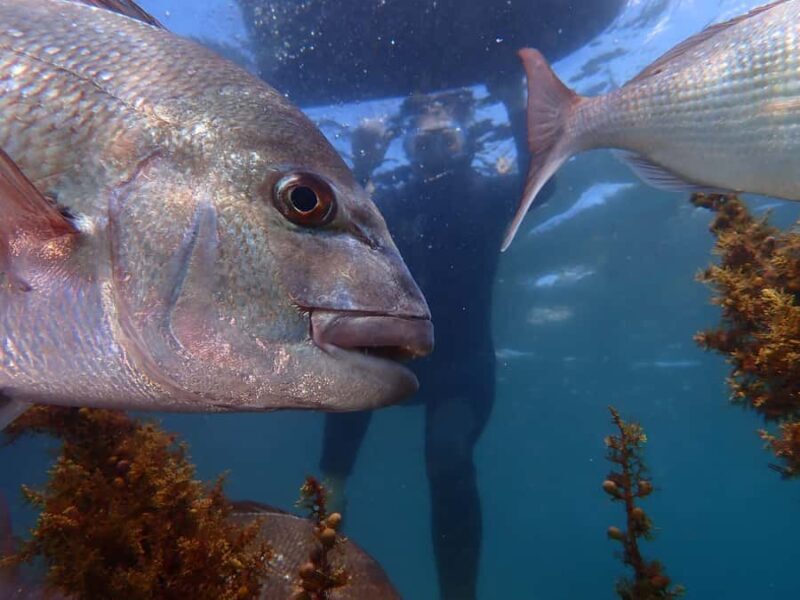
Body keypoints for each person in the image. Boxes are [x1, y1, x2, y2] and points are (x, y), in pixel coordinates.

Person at [318, 88, 528, 599]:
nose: (433, 148)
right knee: (331, 469)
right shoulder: (386, 198)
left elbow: (545, 181)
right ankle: (313, 570)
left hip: (463, 370)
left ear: (466, 138)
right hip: (388, 355)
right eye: (422, 139)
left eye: (446, 136)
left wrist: (514, 99)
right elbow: (328, 227)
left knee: (448, 454)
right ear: (404, 144)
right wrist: (360, 164)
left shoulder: (491, 193)